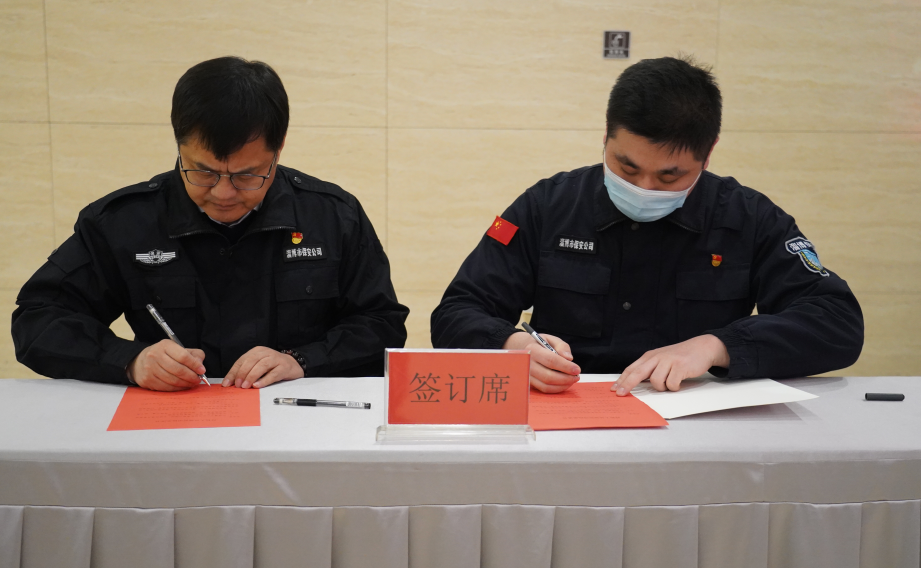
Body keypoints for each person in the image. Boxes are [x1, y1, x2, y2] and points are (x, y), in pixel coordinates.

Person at [431, 56, 863, 395]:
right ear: (606, 134)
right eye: (627, 167)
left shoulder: (746, 216)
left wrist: (717, 346)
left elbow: (836, 322)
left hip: (697, 418)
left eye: (670, 177)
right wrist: (514, 347)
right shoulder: (549, 205)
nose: (644, 188)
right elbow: (456, 312)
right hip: (568, 413)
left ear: (708, 153)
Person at [12, 56, 408, 391]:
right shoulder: (124, 222)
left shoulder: (333, 216)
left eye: (247, 175)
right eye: (203, 172)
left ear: (279, 148)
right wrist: (130, 360)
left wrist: (302, 360)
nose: (223, 193)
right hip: (171, 428)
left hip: (296, 422)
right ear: (179, 145)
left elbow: (382, 326)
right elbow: (37, 319)